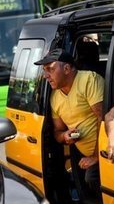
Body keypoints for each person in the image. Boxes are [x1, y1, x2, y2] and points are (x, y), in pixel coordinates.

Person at [34, 48, 104, 190]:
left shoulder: (88, 80)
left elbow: (103, 118)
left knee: (91, 179)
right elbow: (57, 132)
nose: (45, 76)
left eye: (50, 69)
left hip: (105, 153)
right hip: (83, 155)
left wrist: (96, 156)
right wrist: (65, 136)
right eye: (44, 70)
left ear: (66, 68)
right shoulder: (55, 97)